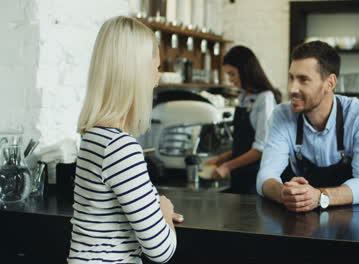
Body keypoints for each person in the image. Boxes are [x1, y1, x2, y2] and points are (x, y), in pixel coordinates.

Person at [68, 16, 183, 264]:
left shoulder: (93, 136)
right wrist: (164, 211)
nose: (158, 78)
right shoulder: (121, 148)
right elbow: (161, 250)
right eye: (157, 68)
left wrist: (154, 206)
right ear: (136, 75)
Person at [256, 41, 359, 212]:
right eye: (291, 78)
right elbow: (265, 176)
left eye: (303, 80)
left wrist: (320, 196)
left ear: (330, 83)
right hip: (303, 218)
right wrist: (284, 193)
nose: (292, 88)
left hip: (354, 218)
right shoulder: (282, 115)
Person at [204, 46, 281, 194]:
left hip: (256, 177)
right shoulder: (244, 96)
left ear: (246, 71)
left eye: (232, 74)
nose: (230, 80)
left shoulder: (265, 98)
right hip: (240, 175)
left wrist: (227, 166)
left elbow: (260, 149)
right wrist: (221, 159)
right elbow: (243, 145)